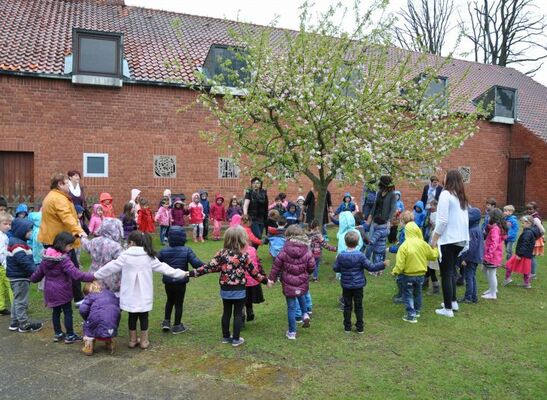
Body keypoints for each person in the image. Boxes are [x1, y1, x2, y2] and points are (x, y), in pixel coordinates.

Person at [93, 231, 188, 349]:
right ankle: (144, 341)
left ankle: (132, 340)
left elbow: (111, 267)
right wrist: (182, 273)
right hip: (144, 293)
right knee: (144, 316)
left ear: (132, 242)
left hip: (129, 293)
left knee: (132, 316)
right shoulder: (148, 257)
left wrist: (96, 275)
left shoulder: (125, 256)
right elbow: (165, 268)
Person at [190, 227, 267, 346]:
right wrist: (266, 281)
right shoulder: (244, 255)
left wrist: (192, 273)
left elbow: (208, 267)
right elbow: (254, 273)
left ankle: (226, 337)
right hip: (240, 290)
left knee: (226, 312)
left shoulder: (221, 253)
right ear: (242, 239)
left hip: (225, 289)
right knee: (237, 314)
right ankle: (236, 340)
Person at [30, 232, 95, 342]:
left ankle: (58, 333)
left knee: (56, 312)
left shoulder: (46, 257)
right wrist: (93, 276)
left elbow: (38, 274)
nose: (71, 248)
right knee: (67, 312)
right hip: (63, 290)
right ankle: (70, 335)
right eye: (70, 246)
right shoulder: (63, 260)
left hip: (50, 290)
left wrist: (31, 279)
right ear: (62, 244)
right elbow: (76, 274)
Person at [38, 173, 87, 305]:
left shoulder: (54, 196)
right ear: (60, 184)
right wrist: (79, 231)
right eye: (67, 183)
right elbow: (67, 217)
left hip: (53, 237)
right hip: (59, 240)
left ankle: (69, 297)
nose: (69, 186)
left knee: (57, 270)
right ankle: (77, 298)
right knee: (71, 268)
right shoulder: (58, 198)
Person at [430, 170, 469, 318]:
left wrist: (435, 238)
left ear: (450, 179)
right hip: (460, 240)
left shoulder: (446, 194)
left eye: (445, 175)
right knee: (451, 271)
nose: (442, 178)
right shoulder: (461, 197)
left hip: (449, 239)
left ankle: (447, 309)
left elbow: (442, 220)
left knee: (446, 273)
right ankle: (452, 302)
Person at [333, 231, 388, 333]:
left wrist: (338, 262)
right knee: (358, 306)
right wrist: (382, 264)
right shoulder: (360, 256)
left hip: (346, 285)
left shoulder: (341, 256)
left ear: (345, 242)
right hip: (358, 286)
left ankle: (347, 327)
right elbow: (371, 267)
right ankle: (360, 327)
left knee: (347, 306)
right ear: (358, 242)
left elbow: (336, 268)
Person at [268, 225, 315, 340]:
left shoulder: (284, 249)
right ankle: (305, 314)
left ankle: (292, 332)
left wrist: (271, 279)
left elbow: (276, 266)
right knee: (301, 294)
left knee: (291, 307)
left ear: (287, 236)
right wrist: (307, 272)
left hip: (288, 282)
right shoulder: (306, 249)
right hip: (302, 280)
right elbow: (312, 265)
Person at [158, 227, 203, 334]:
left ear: (169, 237)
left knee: (169, 300)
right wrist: (208, 266)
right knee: (178, 303)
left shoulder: (163, 251)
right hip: (181, 281)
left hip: (168, 281)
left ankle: (166, 322)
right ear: (183, 237)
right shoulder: (187, 250)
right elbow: (196, 263)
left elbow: (155, 262)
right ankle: (177, 325)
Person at [391, 221, 438, 323]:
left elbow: (400, 263)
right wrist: (436, 249)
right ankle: (416, 311)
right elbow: (433, 256)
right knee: (418, 293)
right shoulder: (423, 244)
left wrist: (395, 272)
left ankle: (411, 315)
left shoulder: (404, 246)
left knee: (408, 294)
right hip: (421, 274)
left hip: (408, 275)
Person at [6, 218, 43, 332]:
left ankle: (14, 322)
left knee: (17, 300)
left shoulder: (17, 243)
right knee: (22, 301)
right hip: (20, 278)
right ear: (21, 231)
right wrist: (36, 272)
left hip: (15, 277)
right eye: (29, 231)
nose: (31, 232)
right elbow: (24, 262)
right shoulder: (18, 246)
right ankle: (24, 324)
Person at [81, 218, 124, 294]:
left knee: (94, 295)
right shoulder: (116, 246)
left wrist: (82, 238)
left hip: (94, 274)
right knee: (109, 297)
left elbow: (87, 246)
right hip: (110, 276)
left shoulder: (95, 241)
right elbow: (122, 261)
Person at [79, 281, 121, 356]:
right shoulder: (110, 293)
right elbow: (118, 304)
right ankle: (109, 343)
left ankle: (89, 347)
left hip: (97, 317)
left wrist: (86, 318)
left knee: (89, 327)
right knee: (107, 327)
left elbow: (83, 309)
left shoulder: (90, 296)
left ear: (87, 292)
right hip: (113, 317)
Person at [504, 215, 539, 289]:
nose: (521, 224)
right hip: (526, 254)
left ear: (528, 223)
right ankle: (526, 283)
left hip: (522, 254)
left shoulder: (528, 233)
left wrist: (519, 254)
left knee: (509, 264)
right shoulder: (529, 231)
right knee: (526, 270)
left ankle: (508, 279)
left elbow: (524, 244)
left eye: (523, 223)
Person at [458, 207, 484, 304]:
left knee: (469, 277)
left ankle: (468, 297)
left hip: (471, 258)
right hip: (475, 257)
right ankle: (474, 297)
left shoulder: (472, 231)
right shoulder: (477, 228)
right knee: (472, 276)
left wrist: (466, 259)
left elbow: (471, 247)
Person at [481, 208, 507, 300]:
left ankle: (493, 293)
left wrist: (488, 255)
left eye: (490, 216)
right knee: (485, 270)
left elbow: (494, 243)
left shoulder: (496, 229)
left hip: (492, 256)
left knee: (491, 273)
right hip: (493, 255)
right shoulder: (497, 227)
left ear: (493, 217)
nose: (488, 217)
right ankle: (492, 288)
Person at [526, 202, 544, 279]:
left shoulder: (536, 218)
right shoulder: (531, 216)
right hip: (532, 238)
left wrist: (539, 236)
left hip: (535, 239)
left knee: (532, 256)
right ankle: (530, 272)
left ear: (535, 209)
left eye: (530, 209)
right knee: (530, 256)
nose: (529, 210)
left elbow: (543, 230)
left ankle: (533, 274)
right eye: (528, 209)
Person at [0, 211, 13, 316]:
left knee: (2, 287)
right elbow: (3, 253)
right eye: (5, 224)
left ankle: (1, 307)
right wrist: (6, 265)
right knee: (10, 286)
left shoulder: (5, 236)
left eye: (9, 224)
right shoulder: (3, 238)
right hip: (4, 266)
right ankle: (16, 306)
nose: (8, 226)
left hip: (2, 265)